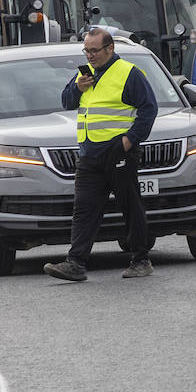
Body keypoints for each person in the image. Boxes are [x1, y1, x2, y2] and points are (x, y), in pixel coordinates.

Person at [44, 28, 159, 281]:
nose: (90, 56)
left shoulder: (129, 73)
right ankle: (76, 263)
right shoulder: (84, 73)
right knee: (84, 209)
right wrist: (77, 87)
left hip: (118, 151)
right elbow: (66, 102)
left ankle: (141, 259)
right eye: (86, 50)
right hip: (89, 153)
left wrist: (129, 141)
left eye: (94, 51)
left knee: (130, 206)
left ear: (110, 49)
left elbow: (149, 109)